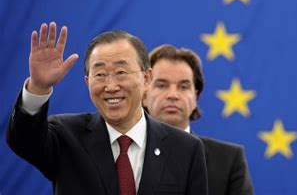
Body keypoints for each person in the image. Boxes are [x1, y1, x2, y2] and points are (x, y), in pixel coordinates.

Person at [6, 22, 208, 195]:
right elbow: (23, 140)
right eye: (100, 74)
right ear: (87, 82)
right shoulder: (65, 136)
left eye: (121, 72)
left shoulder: (186, 149)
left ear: (146, 78)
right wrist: (38, 87)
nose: (111, 86)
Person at [142, 44, 254, 195]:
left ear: (195, 98)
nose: (173, 95)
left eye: (183, 86)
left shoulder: (229, 160)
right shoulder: (119, 154)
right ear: (143, 96)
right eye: (162, 85)